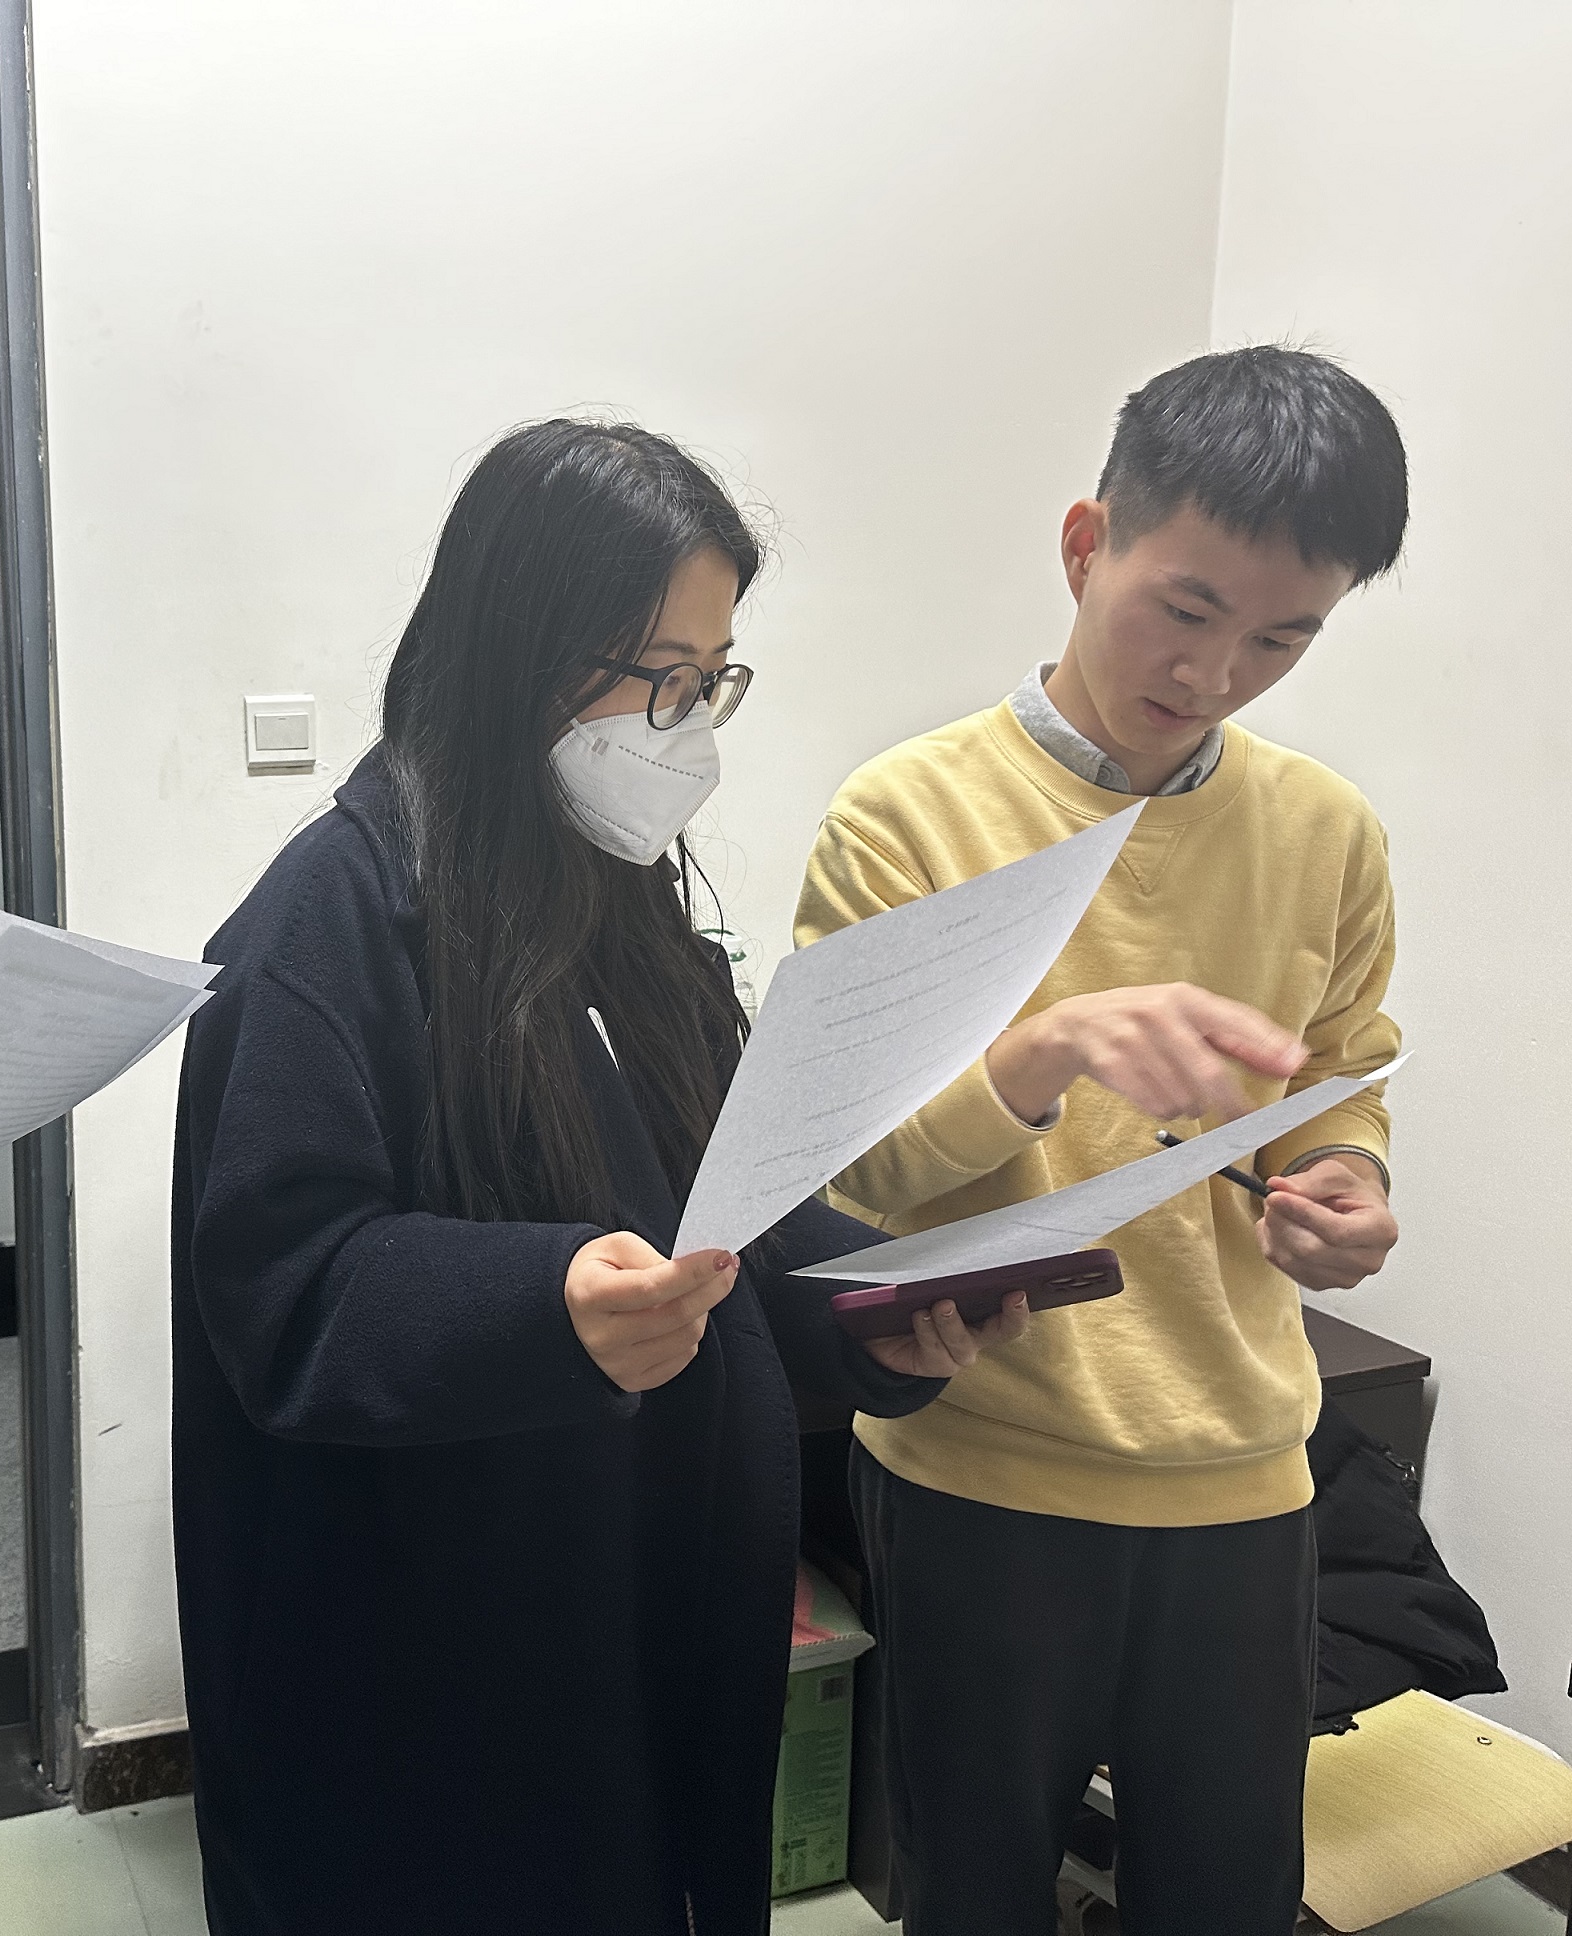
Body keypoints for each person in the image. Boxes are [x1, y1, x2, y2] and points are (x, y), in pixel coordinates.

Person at [170, 419, 1025, 1935]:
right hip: (434, 1666)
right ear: (527, 650)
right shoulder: (332, 917)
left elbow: (728, 1208)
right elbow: (283, 1283)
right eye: (663, 679)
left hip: (649, 1607)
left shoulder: (625, 906)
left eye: (715, 681)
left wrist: (865, 1318)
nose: (690, 731)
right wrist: (543, 1303)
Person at [796, 346, 1409, 1934]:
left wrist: (1344, 1178)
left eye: (1280, 638)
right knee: (973, 1894)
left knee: (1224, 1896)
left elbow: (1342, 1072)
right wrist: (1039, 1057)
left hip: (1241, 1472)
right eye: (1182, 609)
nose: (1212, 674)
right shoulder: (904, 816)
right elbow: (848, 1174)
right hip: (977, 1465)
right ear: (1085, 546)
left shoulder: (1324, 829)